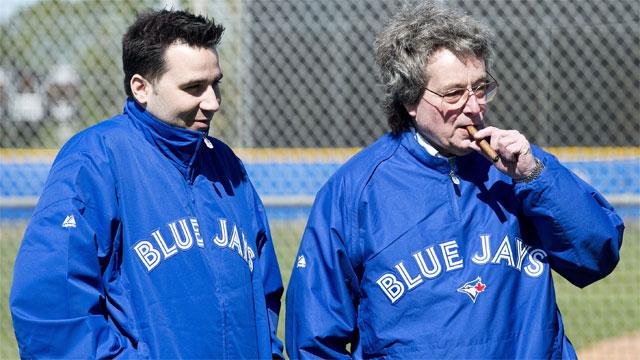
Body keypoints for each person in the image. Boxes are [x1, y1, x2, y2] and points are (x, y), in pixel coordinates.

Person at [285, 0, 624, 358]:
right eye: (453, 93)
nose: (475, 107)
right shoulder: (355, 192)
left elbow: (597, 254)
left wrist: (535, 176)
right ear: (410, 100)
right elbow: (314, 338)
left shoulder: (518, 169)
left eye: (480, 88)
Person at [10, 9, 284, 359]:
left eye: (216, 84)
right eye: (194, 87)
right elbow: (52, 308)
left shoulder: (226, 165)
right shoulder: (95, 160)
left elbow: (265, 294)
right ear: (141, 87)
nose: (213, 102)